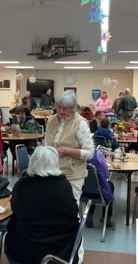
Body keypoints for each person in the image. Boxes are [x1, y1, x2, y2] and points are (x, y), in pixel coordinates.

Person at [4, 146, 80, 264]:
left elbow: (14, 208)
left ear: (32, 162)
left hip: (25, 251)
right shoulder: (64, 186)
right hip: (60, 252)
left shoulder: (22, 186)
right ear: (55, 163)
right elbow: (73, 212)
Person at [45, 91, 93, 263]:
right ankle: (56, 253)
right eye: (59, 107)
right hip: (51, 174)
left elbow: (89, 153)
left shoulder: (80, 123)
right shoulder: (51, 120)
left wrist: (66, 151)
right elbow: (46, 145)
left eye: (65, 108)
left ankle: (76, 257)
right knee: (53, 215)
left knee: (71, 216)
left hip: (73, 176)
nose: (61, 111)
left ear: (73, 109)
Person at [85, 150, 114, 227]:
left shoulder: (76, 155)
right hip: (99, 194)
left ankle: (89, 214)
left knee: (92, 184)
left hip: (82, 193)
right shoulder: (98, 155)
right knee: (110, 185)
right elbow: (106, 175)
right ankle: (106, 217)